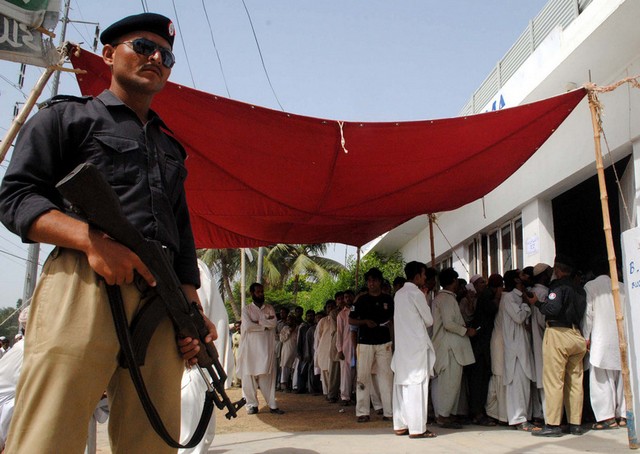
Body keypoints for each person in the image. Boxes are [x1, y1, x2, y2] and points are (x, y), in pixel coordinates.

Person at [0, 13, 217, 453]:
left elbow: (180, 233)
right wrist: (90, 241)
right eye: (143, 47)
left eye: (166, 56)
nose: (156, 58)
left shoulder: (169, 147)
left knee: (151, 441)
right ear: (107, 54)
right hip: (84, 282)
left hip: (159, 298)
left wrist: (191, 306)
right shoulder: (67, 118)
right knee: (50, 431)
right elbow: (16, 197)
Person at [527, 255, 587, 437]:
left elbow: (552, 309)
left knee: (554, 381)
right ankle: (575, 424)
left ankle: (553, 424)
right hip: (576, 335)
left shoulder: (558, 286)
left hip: (558, 334)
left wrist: (537, 303)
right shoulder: (580, 289)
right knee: (575, 382)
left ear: (558, 270)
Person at [391, 261, 437, 439]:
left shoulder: (399, 294)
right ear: (417, 276)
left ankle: (400, 425)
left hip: (403, 347)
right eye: (424, 275)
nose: (425, 278)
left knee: (402, 385)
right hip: (416, 347)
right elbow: (429, 320)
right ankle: (417, 428)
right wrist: (424, 297)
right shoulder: (416, 293)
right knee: (417, 387)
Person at [583, 258, 626, 430]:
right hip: (621, 337)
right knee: (622, 377)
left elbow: (588, 314)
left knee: (601, 379)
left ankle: (607, 417)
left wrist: (586, 335)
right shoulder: (622, 287)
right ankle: (624, 415)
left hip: (600, 337)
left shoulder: (591, 286)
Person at [431, 268, 475, 429]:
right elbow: (449, 324)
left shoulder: (442, 298)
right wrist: (466, 331)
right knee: (449, 384)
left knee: (448, 383)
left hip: (446, 346)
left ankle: (446, 414)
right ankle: (443, 416)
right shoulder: (446, 299)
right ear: (454, 281)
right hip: (449, 347)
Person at [349, 267, 394, 423]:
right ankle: (362, 412)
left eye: (374, 280)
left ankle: (389, 412)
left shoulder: (388, 299)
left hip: (384, 342)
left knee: (386, 377)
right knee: (363, 376)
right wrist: (364, 322)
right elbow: (351, 320)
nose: (371, 283)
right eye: (369, 281)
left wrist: (393, 340)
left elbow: (392, 320)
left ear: (380, 282)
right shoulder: (361, 300)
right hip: (365, 342)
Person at [236, 283, 284, 415]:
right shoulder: (246, 309)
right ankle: (252, 405)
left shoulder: (269, 308)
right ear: (252, 293)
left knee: (267, 378)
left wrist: (257, 322)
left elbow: (273, 323)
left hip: (266, 349)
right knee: (249, 377)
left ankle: (272, 405)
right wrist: (264, 325)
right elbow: (248, 326)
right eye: (258, 292)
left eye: (262, 291)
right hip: (250, 350)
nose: (261, 294)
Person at [501, 270, 536, 431]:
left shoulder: (521, 296)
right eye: (522, 275)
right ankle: (518, 418)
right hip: (515, 348)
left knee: (525, 384)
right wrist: (525, 305)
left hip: (523, 345)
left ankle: (525, 417)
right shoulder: (509, 298)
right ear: (516, 280)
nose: (526, 277)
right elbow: (519, 317)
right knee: (517, 384)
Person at [529, 263, 552, 422]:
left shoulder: (532, 291)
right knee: (545, 378)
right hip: (542, 338)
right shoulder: (543, 293)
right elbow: (542, 320)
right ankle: (546, 415)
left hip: (534, 339)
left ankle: (539, 413)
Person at [336, 289, 355, 405]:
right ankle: (345, 397)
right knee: (345, 371)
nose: (347, 299)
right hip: (346, 346)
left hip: (359, 344)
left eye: (349, 297)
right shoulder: (341, 314)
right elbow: (339, 333)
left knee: (357, 371)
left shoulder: (358, 309)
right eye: (345, 297)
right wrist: (339, 349)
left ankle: (355, 394)